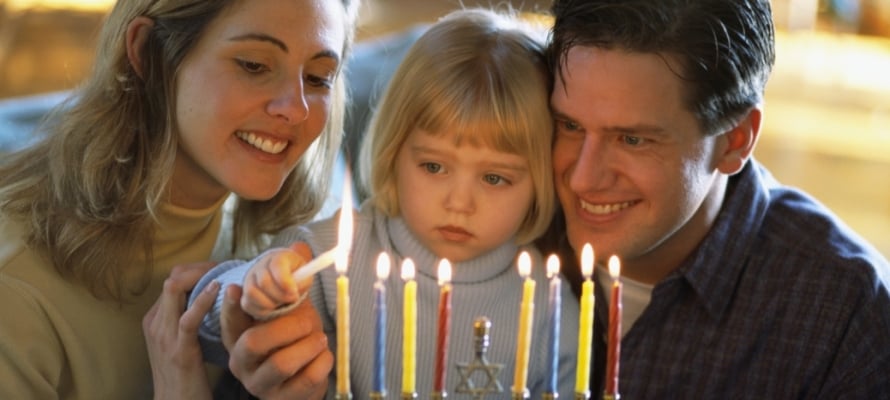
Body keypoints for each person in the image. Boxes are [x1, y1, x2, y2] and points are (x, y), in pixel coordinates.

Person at [190, 8, 581, 399]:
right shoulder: (331, 257)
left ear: (540, 181)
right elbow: (208, 328)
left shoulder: (548, 304)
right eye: (433, 166)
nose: (459, 202)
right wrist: (254, 286)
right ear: (393, 152)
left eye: (494, 178)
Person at [0, 0, 360, 398]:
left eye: (317, 77)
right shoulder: (16, 289)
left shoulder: (293, 251)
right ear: (147, 53)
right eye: (254, 65)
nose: (295, 108)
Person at [537, 0, 890, 398]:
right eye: (569, 125)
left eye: (632, 140)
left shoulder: (845, 315)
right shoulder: (493, 223)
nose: (583, 178)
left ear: (735, 141)